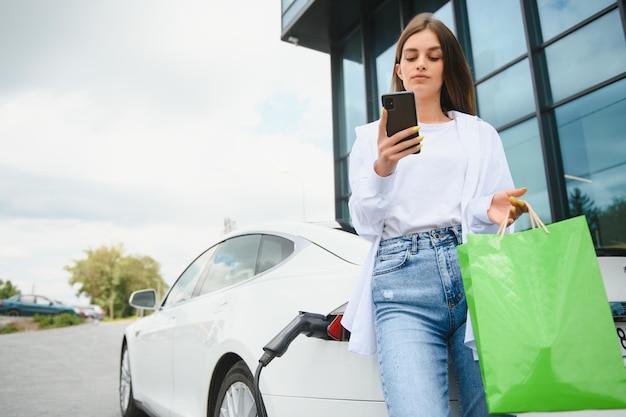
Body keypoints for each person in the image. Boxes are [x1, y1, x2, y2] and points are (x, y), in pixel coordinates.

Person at [341, 12, 527, 417]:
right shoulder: (368, 139)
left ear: (448, 67)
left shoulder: (480, 134)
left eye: (433, 56)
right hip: (402, 283)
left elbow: (484, 211)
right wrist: (383, 169)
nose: (421, 63)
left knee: (493, 411)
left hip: (476, 274)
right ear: (399, 69)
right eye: (411, 56)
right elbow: (365, 224)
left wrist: (491, 209)